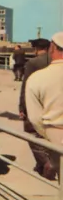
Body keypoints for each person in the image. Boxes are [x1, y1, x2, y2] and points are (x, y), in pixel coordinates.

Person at [26, 32, 63, 177]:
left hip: (55, 132)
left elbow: (35, 119)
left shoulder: (37, 78)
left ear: (52, 49)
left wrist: (48, 134)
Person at [18, 38, 53, 179]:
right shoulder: (55, 62)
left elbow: (26, 86)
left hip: (36, 102)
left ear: (36, 49)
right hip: (51, 103)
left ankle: (45, 163)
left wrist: (22, 107)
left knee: (32, 134)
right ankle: (43, 163)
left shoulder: (33, 63)